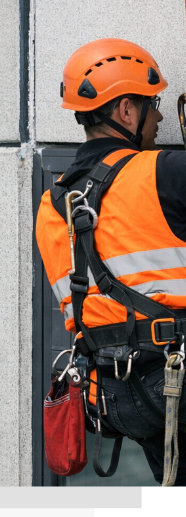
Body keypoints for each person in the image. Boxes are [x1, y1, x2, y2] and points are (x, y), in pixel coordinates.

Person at [36, 38, 186, 486]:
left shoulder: (50, 204)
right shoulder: (162, 172)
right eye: (152, 104)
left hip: (112, 393)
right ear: (125, 111)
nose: (159, 117)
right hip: (172, 375)